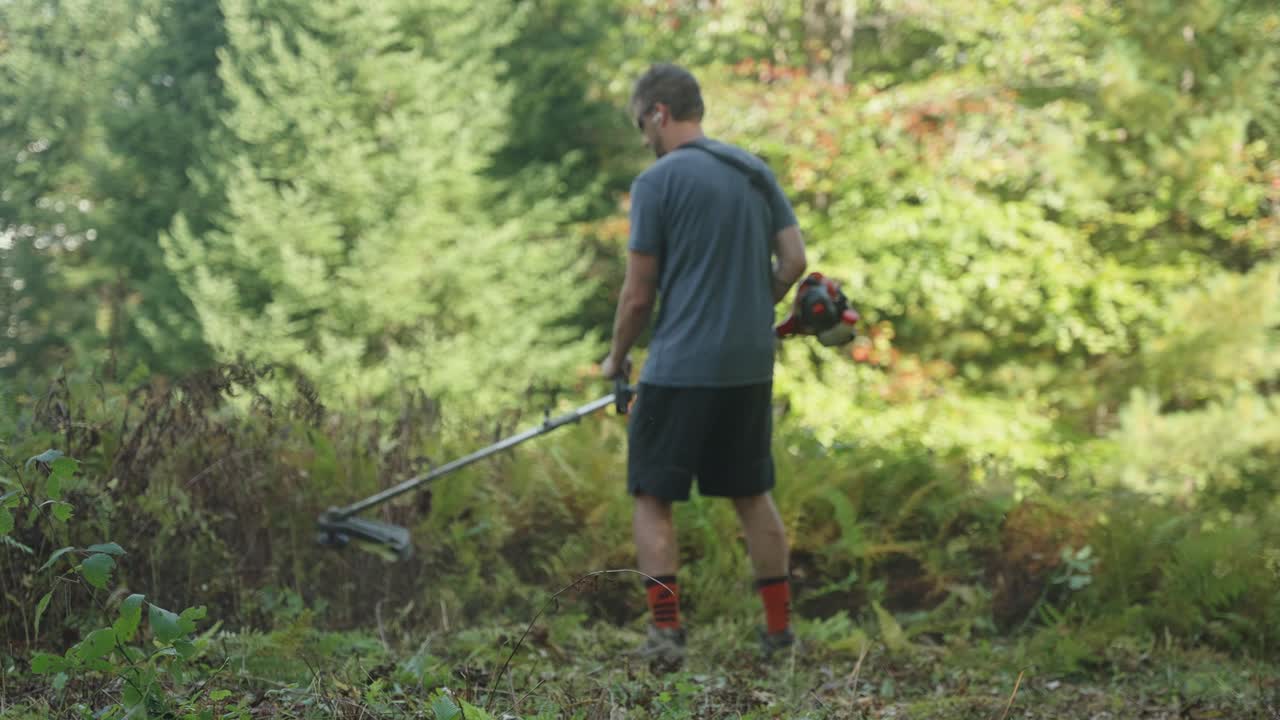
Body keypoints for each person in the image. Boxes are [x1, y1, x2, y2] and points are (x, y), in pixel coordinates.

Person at [599, 62, 809, 668]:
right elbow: (794, 261)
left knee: (652, 494)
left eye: (642, 122)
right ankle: (777, 635)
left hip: (679, 367)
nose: (643, 136)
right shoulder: (752, 170)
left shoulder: (658, 183)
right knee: (752, 493)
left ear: (658, 113)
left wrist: (615, 358)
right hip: (748, 363)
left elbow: (638, 295)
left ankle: (666, 636)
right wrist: (749, 307)